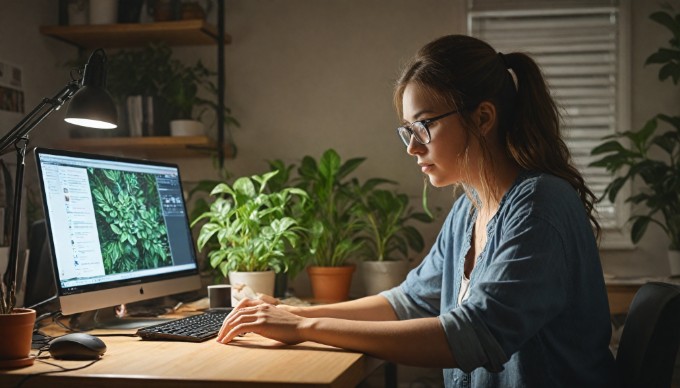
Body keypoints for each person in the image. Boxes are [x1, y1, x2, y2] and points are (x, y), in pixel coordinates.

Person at [216, 34, 616, 387]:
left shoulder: (539, 205)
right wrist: (288, 312)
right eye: (408, 130)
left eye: (424, 125)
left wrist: (305, 326)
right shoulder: (467, 211)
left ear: (483, 118)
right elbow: (406, 302)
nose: (412, 146)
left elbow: (474, 334)